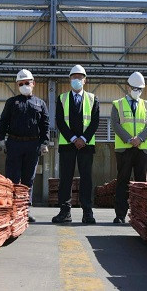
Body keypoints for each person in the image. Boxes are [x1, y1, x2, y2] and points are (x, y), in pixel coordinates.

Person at [0, 69, 50, 223]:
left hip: (32, 145)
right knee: (12, 178)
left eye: (27, 82)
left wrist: (44, 143)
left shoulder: (40, 103)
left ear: (33, 83)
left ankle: (25, 209)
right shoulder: (11, 102)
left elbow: (45, 125)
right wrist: (1, 139)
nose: (24, 85)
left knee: (29, 178)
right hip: (14, 143)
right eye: (21, 83)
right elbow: (3, 121)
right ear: (17, 85)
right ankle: (11, 209)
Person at [52, 65, 100, 224]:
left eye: (80, 77)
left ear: (85, 80)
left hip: (86, 146)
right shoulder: (62, 98)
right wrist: (73, 138)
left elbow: (95, 122)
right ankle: (65, 212)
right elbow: (59, 121)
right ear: (69, 80)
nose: (77, 80)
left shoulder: (93, 99)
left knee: (86, 179)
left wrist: (83, 139)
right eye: (74, 77)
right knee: (65, 178)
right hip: (67, 144)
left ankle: (87, 212)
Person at [111, 72, 147, 224]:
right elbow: (115, 124)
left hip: (142, 149)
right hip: (124, 148)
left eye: (140, 89)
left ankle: (140, 215)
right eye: (135, 88)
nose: (137, 91)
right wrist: (129, 139)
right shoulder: (117, 104)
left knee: (141, 183)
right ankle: (120, 215)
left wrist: (140, 138)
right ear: (127, 87)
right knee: (122, 181)